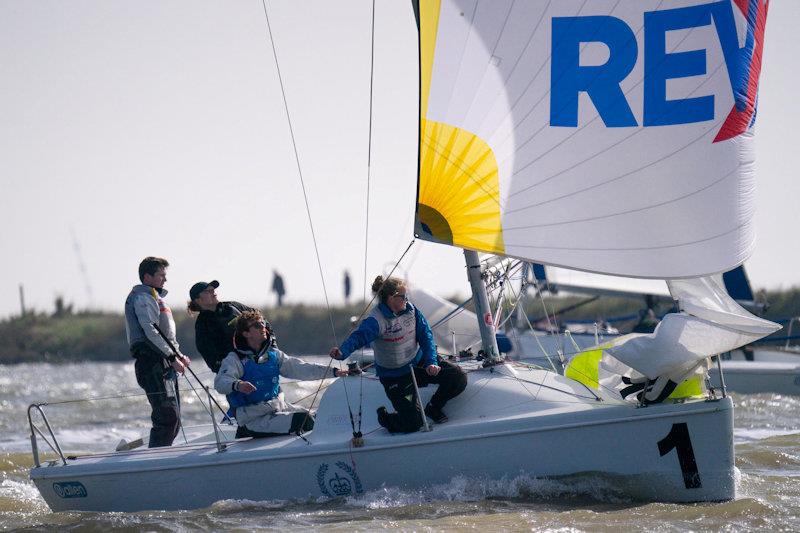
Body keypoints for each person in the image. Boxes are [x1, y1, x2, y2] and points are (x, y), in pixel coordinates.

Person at [330, 276, 467, 433]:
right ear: (390, 298)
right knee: (413, 423)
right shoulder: (376, 320)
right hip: (396, 376)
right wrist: (341, 352)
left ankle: (433, 407)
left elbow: (426, 336)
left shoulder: (412, 311)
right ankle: (386, 418)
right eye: (402, 296)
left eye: (406, 296)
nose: (406, 299)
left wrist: (431, 362)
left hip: (419, 364)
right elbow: (358, 337)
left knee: (458, 378)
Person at [214, 310, 346, 438]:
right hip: (252, 420)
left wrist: (334, 372)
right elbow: (220, 383)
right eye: (257, 325)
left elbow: (301, 368)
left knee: (322, 416)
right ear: (246, 333)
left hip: (276, 409)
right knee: (304, 420)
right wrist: (238, 385)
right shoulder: (235, 359)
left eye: (263, 324)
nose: (263, 327)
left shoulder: (274, 355)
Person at [124, 256, 191, 448]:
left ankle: (161, 455)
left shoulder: (156, 297)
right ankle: (154, 460)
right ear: (147, 277)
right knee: (167, 417)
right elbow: (151, 331)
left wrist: (178, 356)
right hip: (151, 362)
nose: (165, 279)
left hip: (165, 362)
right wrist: (172, 357)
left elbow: (166, 336)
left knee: (175, 420)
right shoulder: (142, 297)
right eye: (161, 275)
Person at [187, 279, 258, 373]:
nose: (213, 291)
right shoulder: (201, 325)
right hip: (235, 373)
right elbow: (207, 353)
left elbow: (261, 320)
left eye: (213, 289)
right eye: (207, 291)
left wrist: (271, 344)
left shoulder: (233, 306)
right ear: (198, 300)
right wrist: (227, 369)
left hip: (258, 362)